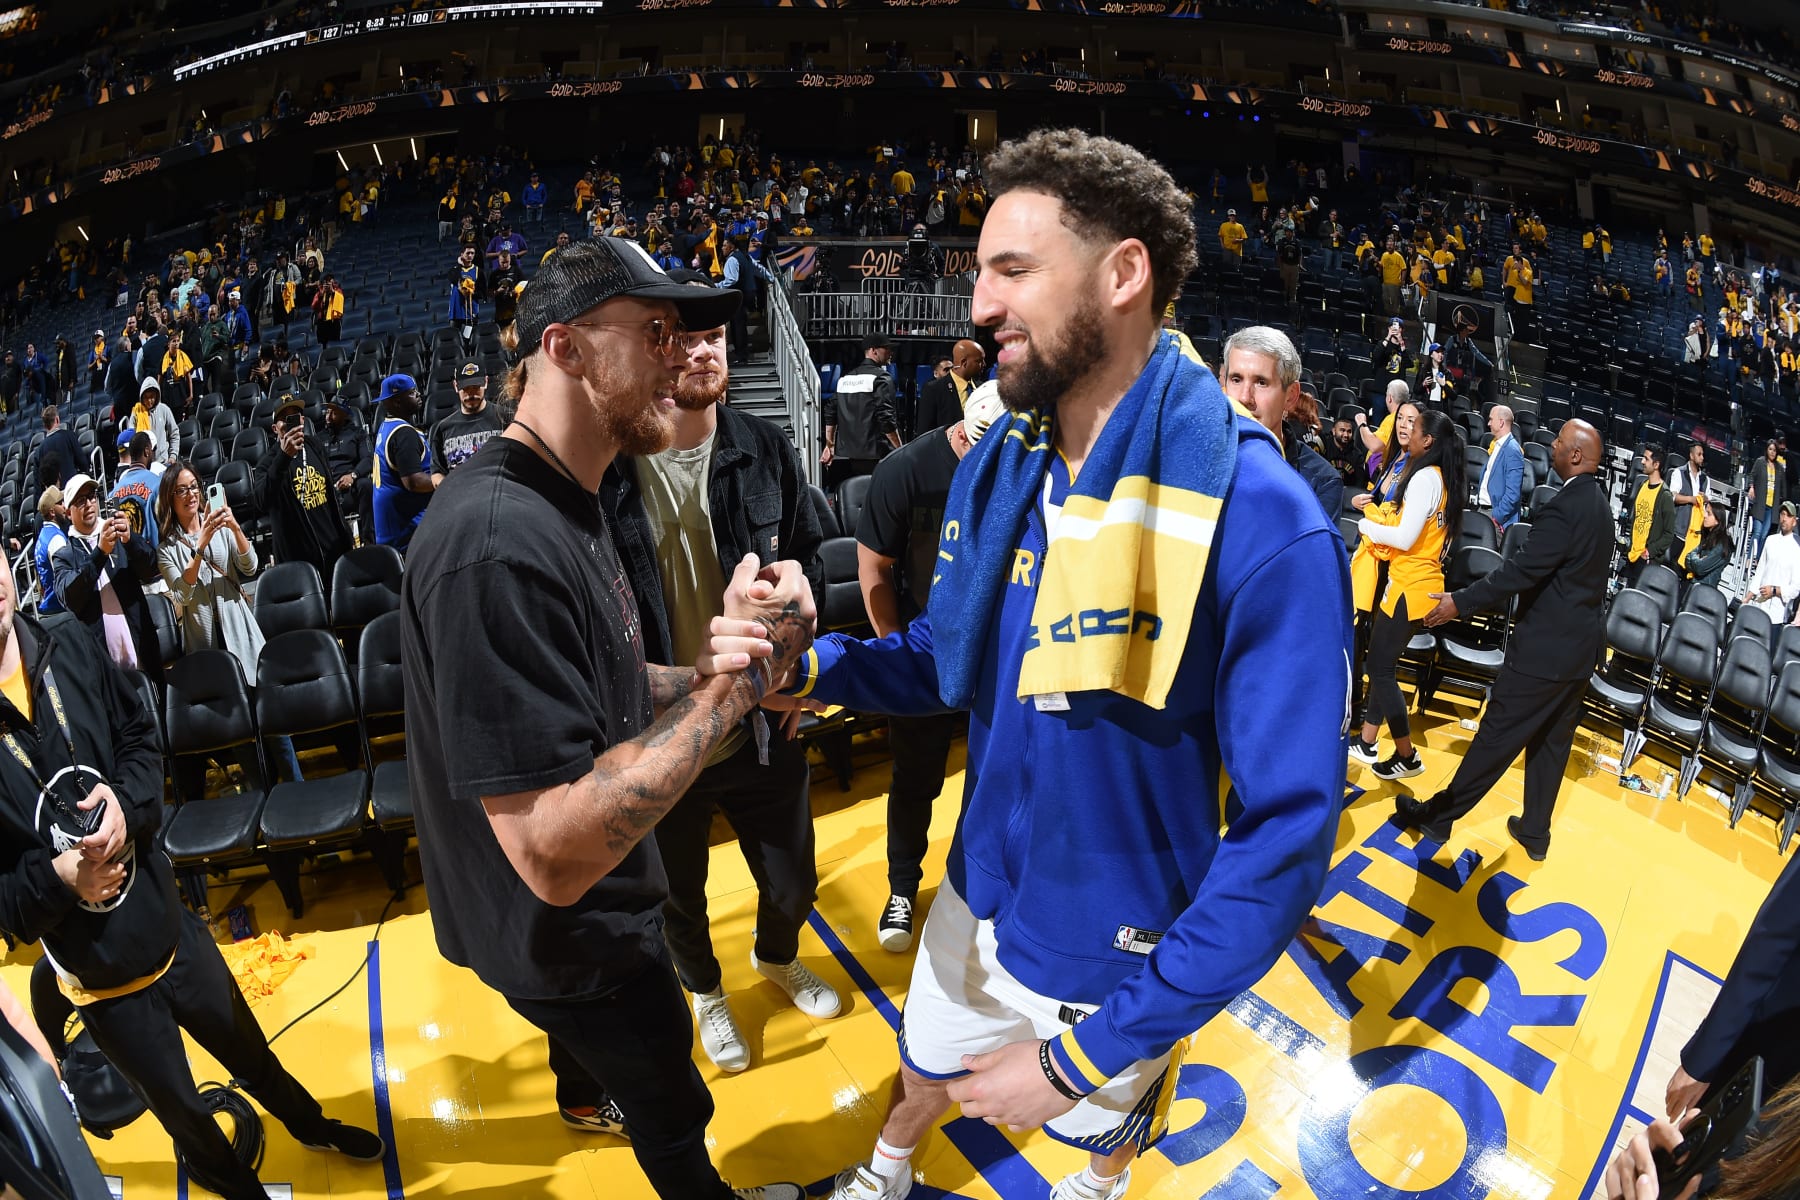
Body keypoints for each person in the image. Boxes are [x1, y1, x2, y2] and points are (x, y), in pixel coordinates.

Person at [782, 128, 1350, 1200]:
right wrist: (816, 669)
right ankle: (886, 1180)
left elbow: (1285, 840)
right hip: (980, 886)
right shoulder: (1008, 460)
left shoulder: (1265, 519)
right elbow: (952, 658)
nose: (980, 305)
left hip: (1116, 959)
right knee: (920, 1066)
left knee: (1100, 1143)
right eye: (981, 272)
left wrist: (1078, 1063)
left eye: (1013, 270)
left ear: (1123, 273)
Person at [400, 237, 809, 1200]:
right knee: (674, 1121)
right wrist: (736, 693)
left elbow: (597, 686)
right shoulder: (496, 546)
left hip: (591, 922)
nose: (686, 353)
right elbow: (550, 847)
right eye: (657, 331)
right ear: (567, 349)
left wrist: (721, 664)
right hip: (572, 940)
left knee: (668, 1110)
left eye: (691, 332)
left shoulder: (567, 496)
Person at [0, 538, 384, 1200]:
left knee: (253, 1057)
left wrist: (126, 800)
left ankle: (311, 1124)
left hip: (172, 932)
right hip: (105, 989)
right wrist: (60, 882)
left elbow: (141, 742)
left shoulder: (68, 640)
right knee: (188, 1122)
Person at [604, 270, 835, 1076]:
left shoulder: (765, 447)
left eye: (717, 338)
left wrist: (800, 669)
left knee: (792, 881)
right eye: (685, 338)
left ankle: (776, 956)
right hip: (663, 731)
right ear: (655, 354)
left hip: (761, 724)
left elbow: (812, 572)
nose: (704, 351)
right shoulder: (611, 472)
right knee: (680, 897)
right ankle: (705, 992)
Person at [1394, 420, 1611, 860]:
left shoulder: (1564, 507)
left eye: (1559, 441)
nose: (1551, 445)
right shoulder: (1600, 506)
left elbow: (1519, 572)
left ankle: (1439, 816)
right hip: (1578, 655)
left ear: (1575, 456)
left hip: (1545, 653)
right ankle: (1534, 833)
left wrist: (1460, 602)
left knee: (1495, 738)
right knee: (1551, 742)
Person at [855, 381, 1008, 953]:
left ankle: (983, 890)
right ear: (963, 433)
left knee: (995, 777)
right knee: (914, 780)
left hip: (997, 655)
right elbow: (873, 570)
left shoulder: (1018, 465)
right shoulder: (906, 470)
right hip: (926, 650)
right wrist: (898, 655)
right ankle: (901, 886)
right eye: (983, 451)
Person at [1346, 404, 1460, 781]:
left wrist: (1367, 527)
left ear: (1428, 440)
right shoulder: (1442, 478)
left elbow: (1404, 537)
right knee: (1385, 667)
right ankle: (1367, 741)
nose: (1406, 430)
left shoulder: (1426, 478)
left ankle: (1407, 755)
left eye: (1416, 427)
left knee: (1379, 668)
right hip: (1419, 584)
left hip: (1410, 587)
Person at [1220, 326, 1344, 524]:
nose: (1244, 398)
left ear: (1291, 395)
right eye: (1236, 379)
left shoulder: (1321, 482)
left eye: (1261, 382)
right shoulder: (1200, 457)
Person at [50, 475, 160, 674]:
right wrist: (100, 553)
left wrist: (131, 540)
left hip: (143, 649)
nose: (89, 504)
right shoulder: (64, 556)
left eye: (91, 497)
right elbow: (71, 597)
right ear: (67, 512)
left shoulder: (120, 536)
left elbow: (152, 568)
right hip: (103, 667)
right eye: (80, 500)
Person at [253, 394, 352, 589]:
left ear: (303, 421)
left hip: (334, 548)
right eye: (284, 419)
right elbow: (261, 501)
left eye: (295, 416)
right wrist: (283, 457)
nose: (291, 422)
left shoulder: (315, 446)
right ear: (275, 428)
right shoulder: (267, 463)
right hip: (298, 560)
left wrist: (345, 536)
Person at [822, 334, 900, 485]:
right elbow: (886, 418)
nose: (891, 353)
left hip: (851, 455)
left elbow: (830, 410)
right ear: (873, 351)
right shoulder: (882, 378)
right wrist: (899, 448)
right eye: (887, 348)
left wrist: (829, 445)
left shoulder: (846, 378)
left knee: (859, 495)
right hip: (877, 453)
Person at [371, 374, 435, 553]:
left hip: (391, 529)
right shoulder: (404, 434)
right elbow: (413, 482)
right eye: (412, 392)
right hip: (407, 532)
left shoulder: (386, 427)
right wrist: (443, 479)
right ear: (397, 402)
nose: (419, 395)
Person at [429, 362, 505, 485]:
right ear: (455, 386)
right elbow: (437, 472)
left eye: (475, 387)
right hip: (461, 499)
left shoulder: (505, 418)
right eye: (465, 388)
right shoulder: (443, 428)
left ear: (485, 382)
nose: (471, 394)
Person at [320, 396, 373, 537]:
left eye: (334, 413)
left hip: (351, 484)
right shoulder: (319, 438)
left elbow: (368, 459)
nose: (328, 417)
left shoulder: (358, 433)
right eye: (327, 412)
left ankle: (369, 538)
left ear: (345, 415)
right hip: (327, 489)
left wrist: (353, 476)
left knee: (366, 484)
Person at [914, 338, 986, 438]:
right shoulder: (934, 389)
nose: (984, 365)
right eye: (979, 361)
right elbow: (925, 434)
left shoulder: (983, 388)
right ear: (964, 363)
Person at [1743, 502, 1800, 623]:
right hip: (1759, 605)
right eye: (1782, 514)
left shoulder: (1797, 549)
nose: (1784, 519)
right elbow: (1760, 571)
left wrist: (1774, 591)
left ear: (1794, 521)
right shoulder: (1770, 540)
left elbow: (1795, 588)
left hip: (1777, 614)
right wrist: (1747, 598)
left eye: (1788, 516)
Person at [1627, 447, 1676, 587]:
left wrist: (1649, 552)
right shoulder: (1643, 485)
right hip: (1633, 554)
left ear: (1656, 465)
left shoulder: (1665, 496)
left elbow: (1668, 534)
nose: (1642, 461)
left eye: (1646, 459)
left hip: (1646, 560)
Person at [109, 432, 163, 557]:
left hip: (128, 564)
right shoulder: (158, 483)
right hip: (154, 562)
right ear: (147, 451)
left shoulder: (112, 495)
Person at [1479, 404, 1525, 530]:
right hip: (1484, 511)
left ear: (1501, 423)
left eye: (1491, 419)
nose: (1488, 423)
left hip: (1495, 519)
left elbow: (1513, 494)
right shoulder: (1497, 445)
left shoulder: (1513, 450)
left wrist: (1496, 517)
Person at [1669, 442, 1711, 568]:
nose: (1702, 457)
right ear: (1691, 456)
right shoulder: (1679, 473)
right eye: (1699, 454)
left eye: (1703, 454)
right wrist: (1691, 499)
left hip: (1695, 535)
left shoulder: (1705, 479)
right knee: (1671, 563)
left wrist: (1705, 498)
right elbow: (1673, 496)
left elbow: (1708, 499)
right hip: (1679, 530)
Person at [1748, 440, 1786, 570]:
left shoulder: (1779, 468)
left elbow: (1782, 488)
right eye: (1770, 449)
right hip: (1760, 504)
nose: (1772, 452)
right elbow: (1752, 475)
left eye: (1774, 450)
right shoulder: (1760, 462)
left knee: (1764, 535)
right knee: (1757, 533)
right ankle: (1749, 558)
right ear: (1766, 450)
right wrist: (1752, 487)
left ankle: (1756, 560)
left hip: (1772, 507)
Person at [130, 378, 179, 465]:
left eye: (152, 397)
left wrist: (173, 456)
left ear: (157, 396)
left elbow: (174, 433)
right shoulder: (136, 412)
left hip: (164, 462)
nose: (149, 401)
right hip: (144, 465)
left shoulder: (164, 409)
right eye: (146, 397)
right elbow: (131, 438)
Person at [37, 406, 83, 491]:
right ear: (57, 419)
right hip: (74, 489)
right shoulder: (69, 436)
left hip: (55, 495)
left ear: (44, 425)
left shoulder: (40, 449)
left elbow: (39, 481)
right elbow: (82, 462)